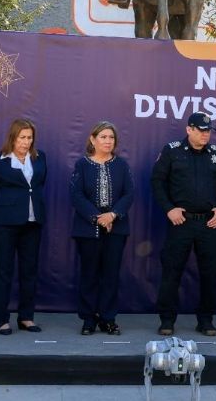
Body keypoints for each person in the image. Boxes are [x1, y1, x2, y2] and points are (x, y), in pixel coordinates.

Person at [151, 112, 216, 336]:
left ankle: (206, 320)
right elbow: (157, 182)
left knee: (210, 272)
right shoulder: (172, 150)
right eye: (201, 130)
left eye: (208, 131)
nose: (206, 135)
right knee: (172, 270)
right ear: (189, 130)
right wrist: (169, 208)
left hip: (208, 223)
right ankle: (167, 319)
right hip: (181, 221)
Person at [0, 118, 48, 335]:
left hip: (33, 222)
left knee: (29, 271)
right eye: (22, 137)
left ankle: (26, 317)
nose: (26, 142)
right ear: (13, 137)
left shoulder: (40, 158)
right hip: (5, 223)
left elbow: (39, 185)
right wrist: (5, 208)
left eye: (30, 138)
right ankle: (2, 319)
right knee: (4, 271)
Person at [70, 122, 135, 335]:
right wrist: (97, 217)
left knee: (111, 274)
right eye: (104, 137)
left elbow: (129, 194)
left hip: (116, 228)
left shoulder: (121, 165)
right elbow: (76, 195)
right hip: (87, 229)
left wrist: (113, 215)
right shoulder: (82, 165)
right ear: (93, 139)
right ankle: (88, 319)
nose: (108, 141)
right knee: (89, 274)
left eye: (111, 138)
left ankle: (108, 318)